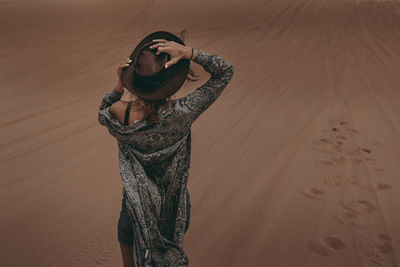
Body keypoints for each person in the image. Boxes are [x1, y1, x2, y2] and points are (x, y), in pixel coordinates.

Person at [98, 30, 235, 267]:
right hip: (174, 210)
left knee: (128, 243)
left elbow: (103, 112)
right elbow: (225, 72)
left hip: (135, 208)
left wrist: (119, 85)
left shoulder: (121, 113)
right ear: (170, 81)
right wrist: (189, 53)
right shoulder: (183, 113)